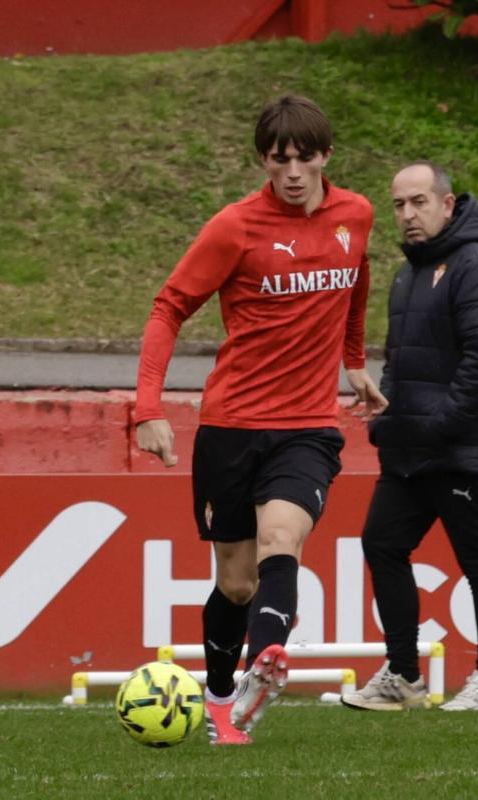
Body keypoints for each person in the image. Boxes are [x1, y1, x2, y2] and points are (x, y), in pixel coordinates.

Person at [134, 95, 386, 745]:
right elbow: (169, 308)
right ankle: (219, 701)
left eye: (305, 158)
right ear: (263, 162)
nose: (294, 172)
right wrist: (148, 408)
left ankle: (262, 666)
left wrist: (354, 363)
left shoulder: (356, 214)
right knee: (237, 584)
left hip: (307, 425)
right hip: (231, 427)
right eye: (280, 161)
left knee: (284, 538)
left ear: (327, 156)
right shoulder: (234, 228)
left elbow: (357, 281)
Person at [341, 161, 478, 712]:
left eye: (419, 202)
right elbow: (398, 362)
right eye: (399, 205)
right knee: (382, 543)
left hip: (460, 449)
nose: (408, 215)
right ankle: (402, 674)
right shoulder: (409, 271)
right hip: (411, 449)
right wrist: (385, 417)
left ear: (448, 203)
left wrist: (438, 428)